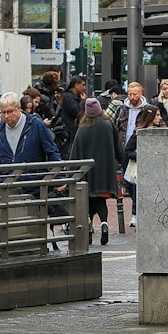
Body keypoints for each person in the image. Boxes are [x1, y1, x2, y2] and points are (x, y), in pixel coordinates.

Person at [69, 98, 120, 246]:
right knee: (101, 201)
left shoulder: (82, 128)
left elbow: (75, 152)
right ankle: (104, 224)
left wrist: (70, 173)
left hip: (87, 173)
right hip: (105, 172)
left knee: (89, 202)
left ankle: (90, 230)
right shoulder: (108, 125)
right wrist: (121, 161)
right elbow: (118, 148)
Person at [0, 91, 60, 165]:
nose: (6, 116)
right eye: (3, 112)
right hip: (8, 176)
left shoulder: (36, 125)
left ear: (19, 108)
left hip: (33, 175)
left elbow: (52, 152)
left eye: (10, 111)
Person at [123, 104, 160, 226]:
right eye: (157, 115)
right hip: (141, 169)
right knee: (137, 191)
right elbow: (128, 150)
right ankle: (135, 216)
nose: (160, 118)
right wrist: (142, 157)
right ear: (151, 117)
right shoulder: (139, 133)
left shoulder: (161, 131)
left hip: (154, 169)